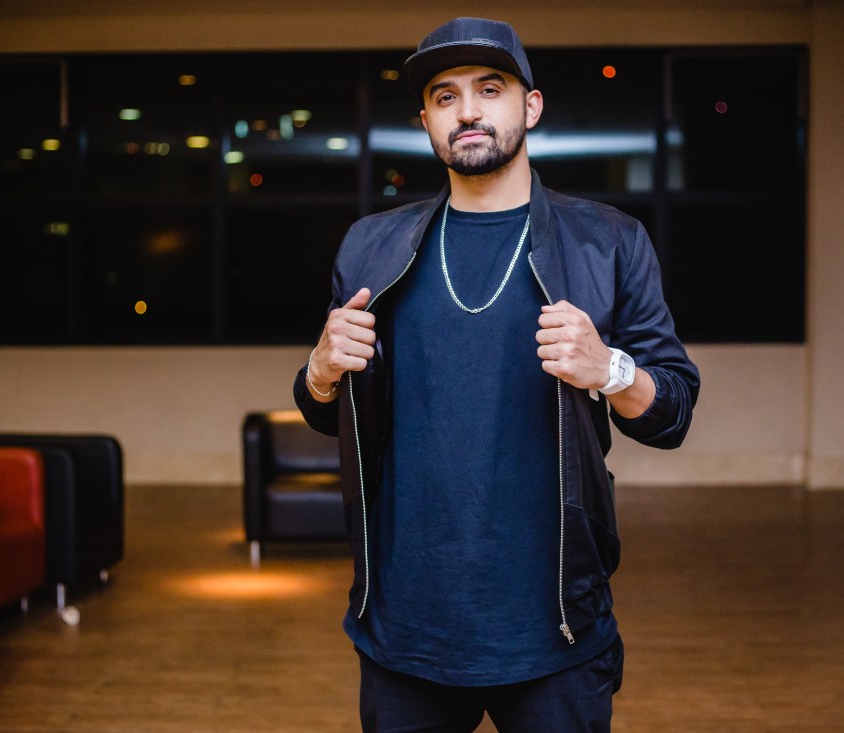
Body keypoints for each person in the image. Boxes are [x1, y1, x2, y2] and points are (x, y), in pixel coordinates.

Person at [293, 16, 700, 733]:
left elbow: (673, 411)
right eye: (445, 97)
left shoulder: (608, 242)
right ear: (426, 121)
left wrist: (608, 369)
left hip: (556, 626)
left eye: (490, 89)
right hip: (405, 625)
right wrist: (320, 371)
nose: (468, 111)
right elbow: (326, 406)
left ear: (530, 107)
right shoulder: (370, 247)